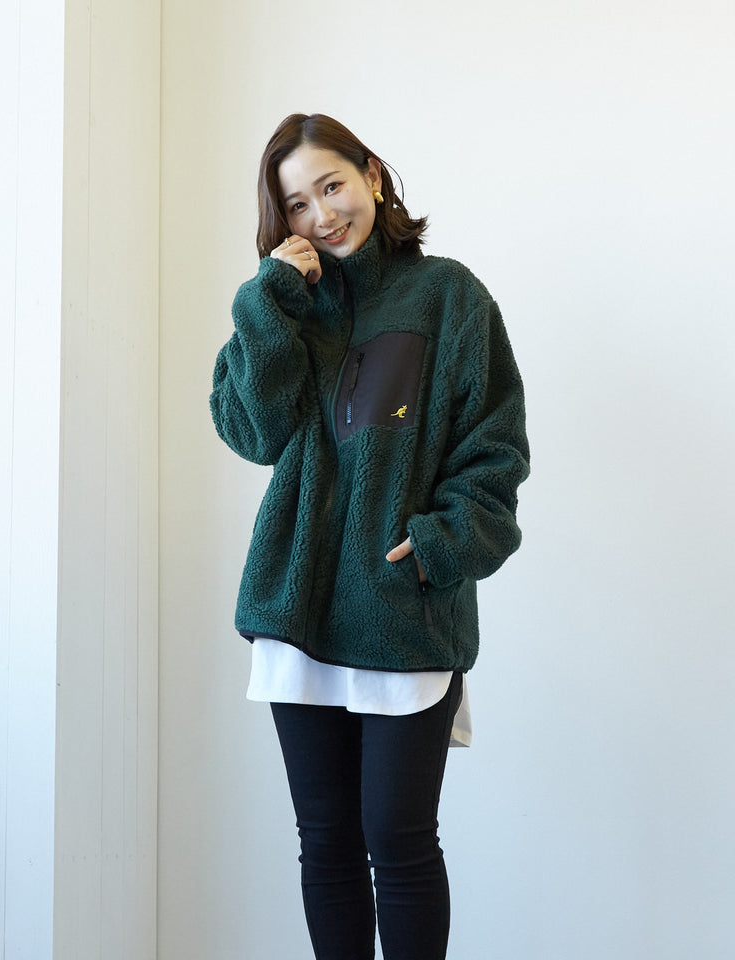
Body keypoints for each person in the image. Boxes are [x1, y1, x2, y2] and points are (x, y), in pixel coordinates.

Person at [210, 113, 529, 960]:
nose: (322, 214)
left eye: (332, 186)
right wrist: (268, 302)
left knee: (400, 843)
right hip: (299, 610)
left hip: (400, 609)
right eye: (297, 203)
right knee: (327, 846)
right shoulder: (286, 309)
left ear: (372, 176)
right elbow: (251, 431)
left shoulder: (450, 297)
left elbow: (495, 452)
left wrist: (439, 544)